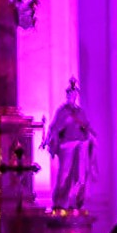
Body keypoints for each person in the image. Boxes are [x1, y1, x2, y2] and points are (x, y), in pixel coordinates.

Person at [43, 80, 96, 211]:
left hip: (81, 145)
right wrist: (48, 139)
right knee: (65, 174)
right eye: (70, 95)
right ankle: (60, 202)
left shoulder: (80, 111)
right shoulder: (62, 111)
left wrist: (91, 137)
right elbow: (54, 127)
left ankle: (76, 202)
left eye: (75, 94)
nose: (72, 97)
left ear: (76, 95)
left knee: (80, 175)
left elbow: (87, 126)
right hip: (67, 145)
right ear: (67, 96)